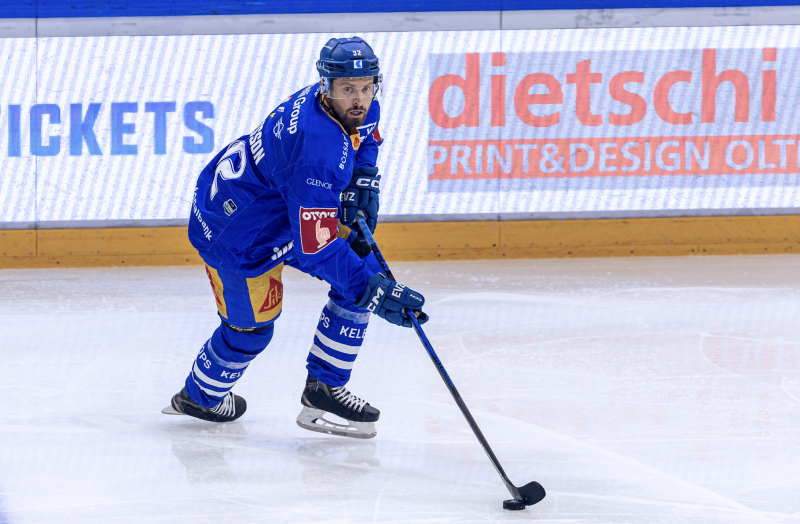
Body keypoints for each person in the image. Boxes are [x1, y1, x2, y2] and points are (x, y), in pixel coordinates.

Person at [162, 36, 428, 439]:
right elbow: (316, 247)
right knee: (251, 330)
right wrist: (372, 292)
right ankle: (200, 396)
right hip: (236, 232)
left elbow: (367, 134)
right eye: (348, 90)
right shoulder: (318, 148)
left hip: (282, 211)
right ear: (327, 87)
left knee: (362, 268)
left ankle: (324, 388)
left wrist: (362, 180)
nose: (359, 98)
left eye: (366, 86)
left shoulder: (349, 104)